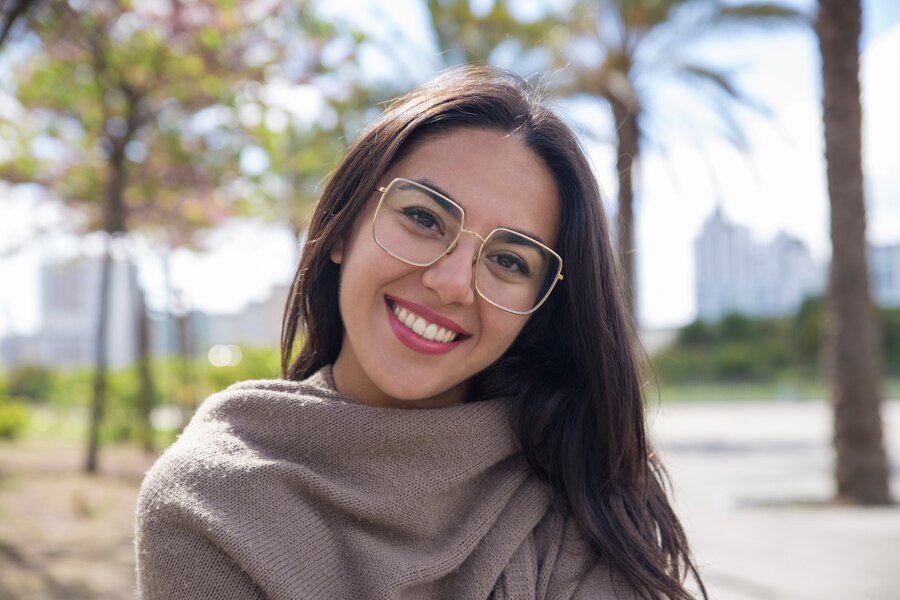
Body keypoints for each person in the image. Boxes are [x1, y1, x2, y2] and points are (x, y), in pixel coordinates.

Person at [135, 65, 707, 600]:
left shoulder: (583, 497)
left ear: (538, 311)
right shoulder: (210, 503)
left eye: (509, 261)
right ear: (342, 227)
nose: (452, 283)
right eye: (424, 218)